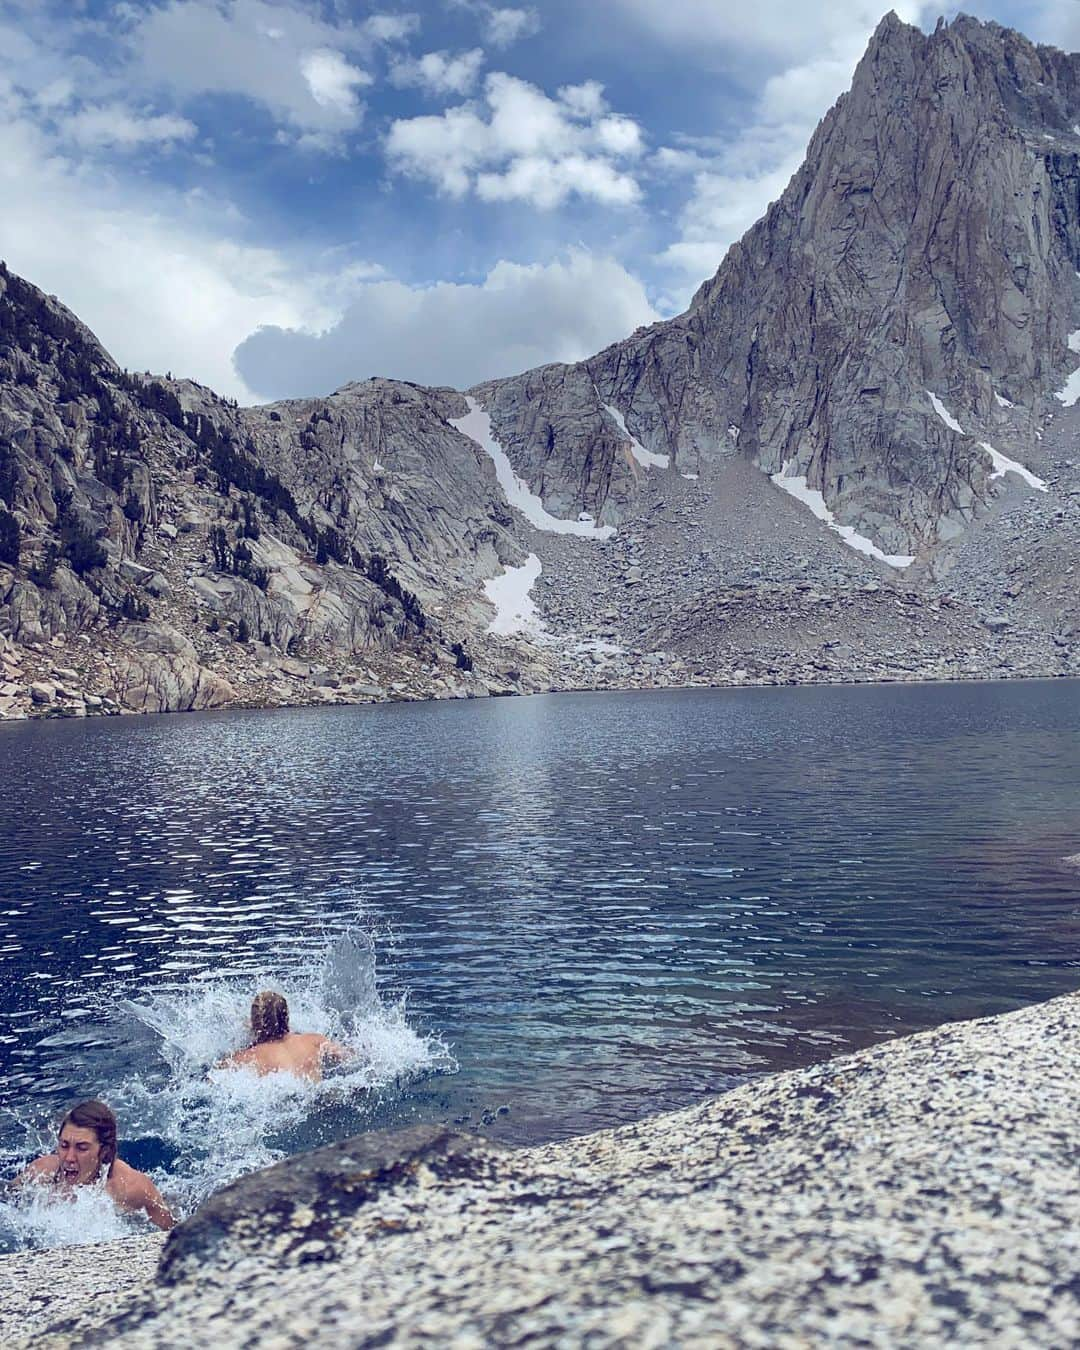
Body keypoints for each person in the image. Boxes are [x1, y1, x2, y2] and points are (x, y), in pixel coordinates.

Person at [13, 1099, 176, 1231]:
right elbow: (7, 1200)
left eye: (81, 1148)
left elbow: (173, 1234)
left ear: (104, 1151)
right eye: (64, 1145)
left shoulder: (131, 1188)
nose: (69, 1157)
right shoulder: (42, 1173)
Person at [217, 991, 351, 1082]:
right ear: (286, 1017)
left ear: (255, 1022)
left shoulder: (247, 1057)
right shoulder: (315, 1040)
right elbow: (349, 1057)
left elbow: (213, 1078)